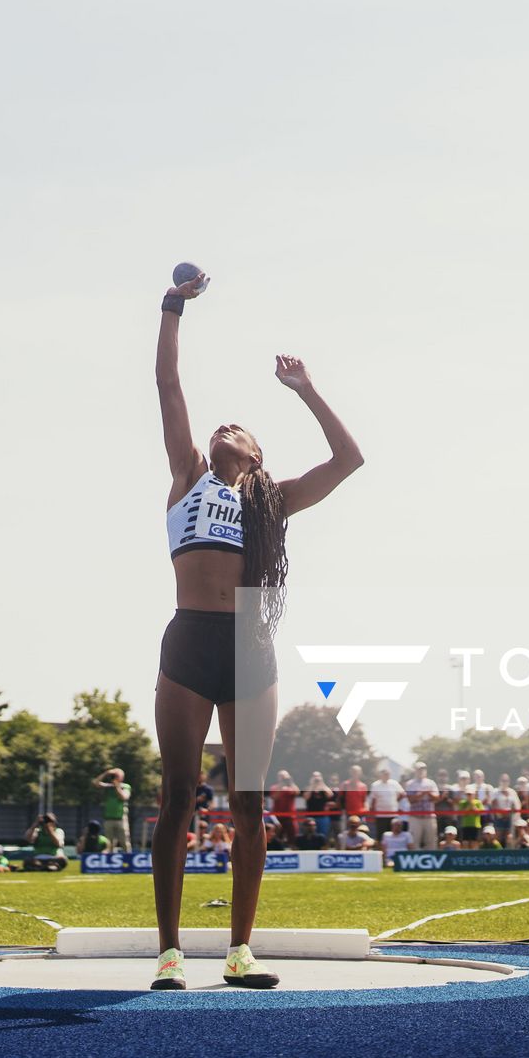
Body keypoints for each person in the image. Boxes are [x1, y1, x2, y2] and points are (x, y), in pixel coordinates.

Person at [148, 271, 364, 992]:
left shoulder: (274, 502)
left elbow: (349, 460)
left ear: (256, 454)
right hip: (187, 641)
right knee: (178, 796)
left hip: (248, 646)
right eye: (218, 427)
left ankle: (240, 952)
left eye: (235, 429)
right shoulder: (186, 476)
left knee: (247, 801)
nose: (219, 429)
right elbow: (167, 385)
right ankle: (171, 953)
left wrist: (306, 390)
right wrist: (173, 305)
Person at [94, 768, 134, 854]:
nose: (114, 777)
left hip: (121, 819)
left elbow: (124, 797)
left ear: (121, 777)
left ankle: (129, 859)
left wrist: (117, 787)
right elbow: (96, 783)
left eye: (116, 776)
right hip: (108, 818)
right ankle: (111, 862)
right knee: (109, 844)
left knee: (124, 842)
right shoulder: (108, 786)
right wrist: (106, 773)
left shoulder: (125, 786)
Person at [405, 762, 441, 850]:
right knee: (414, 841)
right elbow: (411, 799)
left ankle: (431, 860)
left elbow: (436, 798)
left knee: (431, 841)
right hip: (415, 817)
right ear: (415, 770)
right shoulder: (410, 784)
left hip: (429, 816)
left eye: (423, 769)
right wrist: (421, 794)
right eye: (419, 769)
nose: (421, 771)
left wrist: (428, 793)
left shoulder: (431, 783)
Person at [369, 767, 404, 835]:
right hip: (380, 815)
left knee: (393, 834)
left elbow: (402, 794)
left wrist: (396, 801)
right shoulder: (375, 785)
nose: (386, 775)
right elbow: (373, 799)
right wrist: (372, 813)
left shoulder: (394, 783)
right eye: (385, 774)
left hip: (393, 814)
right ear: (381, 775)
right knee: (381, 834)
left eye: (388, 774)